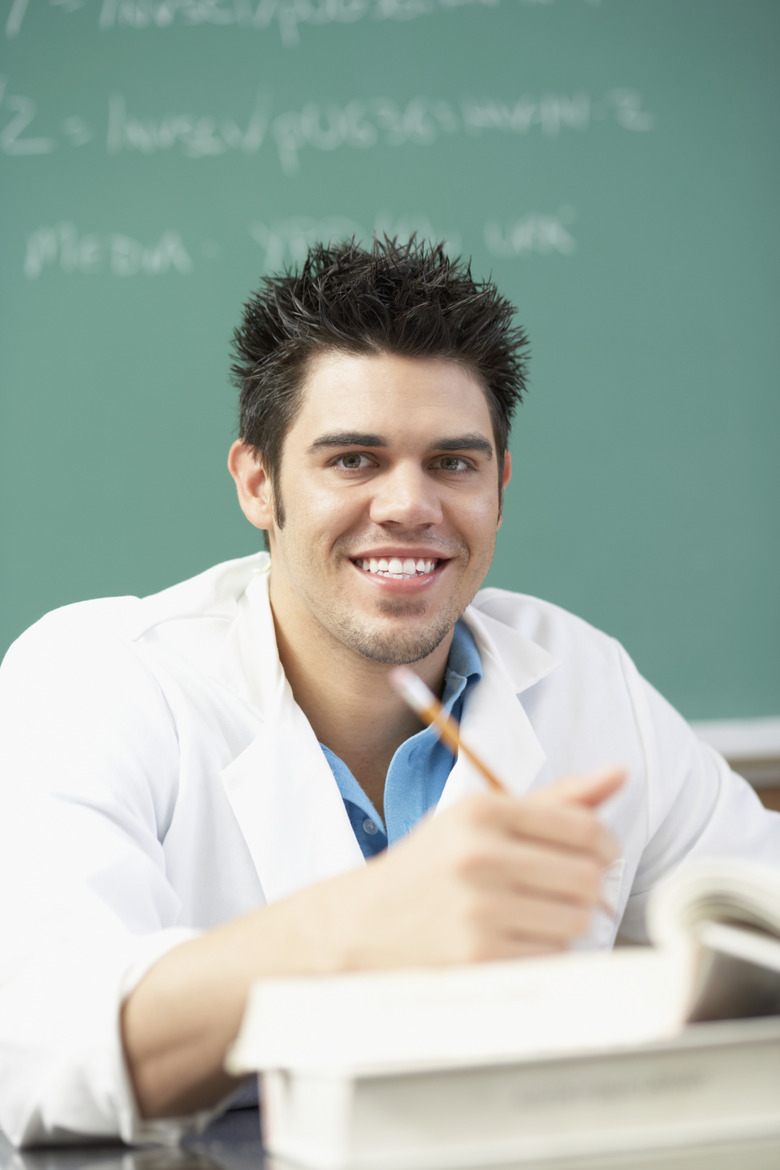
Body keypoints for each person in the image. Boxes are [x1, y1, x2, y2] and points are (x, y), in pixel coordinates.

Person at [0, 237, 777, 1147]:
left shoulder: (584, 676)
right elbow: (41, 1056)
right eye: (354, 460)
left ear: (500, 486)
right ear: (258, 482)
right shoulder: (97, 676)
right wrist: (365, 922)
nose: (410, 505)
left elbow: (756, 902)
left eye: (454, 462)